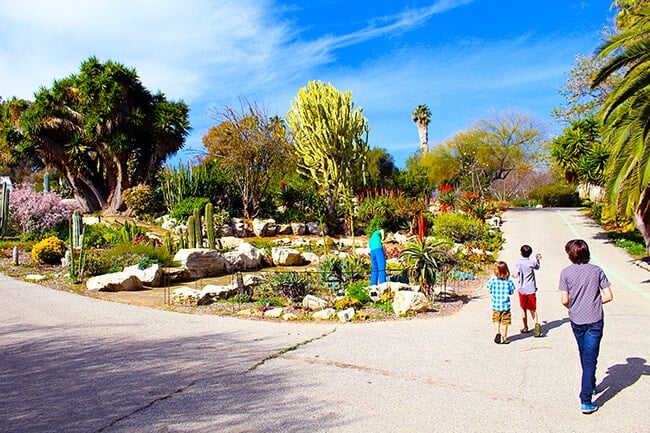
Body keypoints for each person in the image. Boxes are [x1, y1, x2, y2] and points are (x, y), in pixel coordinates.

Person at [559, 239, 614, 415]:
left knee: (584, 353)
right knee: (591, 356)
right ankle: (586, 398)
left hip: (576, 320)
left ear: (570, 255)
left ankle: (589, 385)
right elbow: (609, 295)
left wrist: (575, 307)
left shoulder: (565, 273)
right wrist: (595, 302)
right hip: (595, 319)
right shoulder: (596, 271)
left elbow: (564, 300)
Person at [514, 244, 542, 337]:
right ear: (530, 253)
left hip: (522, 289)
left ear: (520, 253)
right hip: (531, 289)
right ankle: (536, 326)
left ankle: (525, 327)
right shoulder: (532, 263)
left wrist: (514, 275)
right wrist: (538, 259)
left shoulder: (519, 263)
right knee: (533, 309)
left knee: (523, 308)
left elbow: (516, 274)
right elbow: (537, 267)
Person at [486, 261, 516, 344]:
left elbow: (489, 290)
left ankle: (497, 332)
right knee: (505, 321)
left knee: (496, 319)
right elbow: (512, 292)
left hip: (496, 305)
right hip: (506, 306)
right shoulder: (508, 281)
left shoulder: (493, 280)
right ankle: (504, 337)